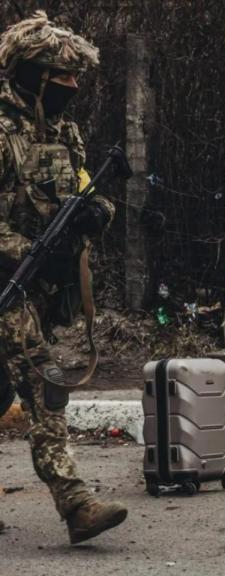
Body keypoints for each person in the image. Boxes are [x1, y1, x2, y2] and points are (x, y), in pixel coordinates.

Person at [0, 11, 124, 545]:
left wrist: (99, 210)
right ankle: (75, 504)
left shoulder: (65, 133)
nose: (73, 87)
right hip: (7, 281)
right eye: (62, 77)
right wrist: (26, 250)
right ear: (32, 75)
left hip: (38, 288)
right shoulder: (2, 135)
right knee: (44, 381)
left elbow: (79, 188)